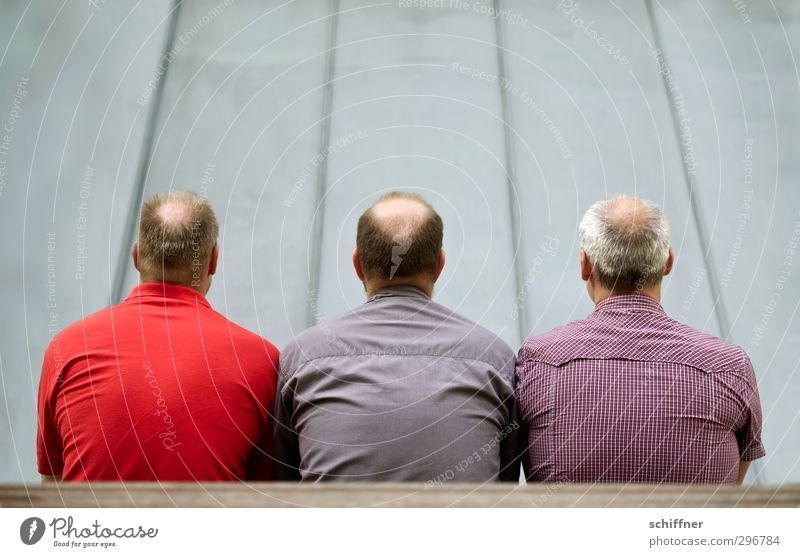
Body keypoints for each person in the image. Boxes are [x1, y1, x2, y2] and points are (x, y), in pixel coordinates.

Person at [273, 191, 521, 482]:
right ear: (440, 265)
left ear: (357, 265)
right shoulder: (495, 357)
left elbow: (281, 480)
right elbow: (504, 482)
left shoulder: (302, 357)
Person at [516, 195, 765, 484]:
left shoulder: (537, 361)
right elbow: (733, 485)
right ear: (668, 261)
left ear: (585, 265)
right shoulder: (729, 366)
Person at [37, 191, 279, 481]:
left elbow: (52, 484)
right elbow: (268, 488)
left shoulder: (66, 347)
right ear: (213, 260)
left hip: (94, 527)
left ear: (137, 257)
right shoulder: (262, 360)